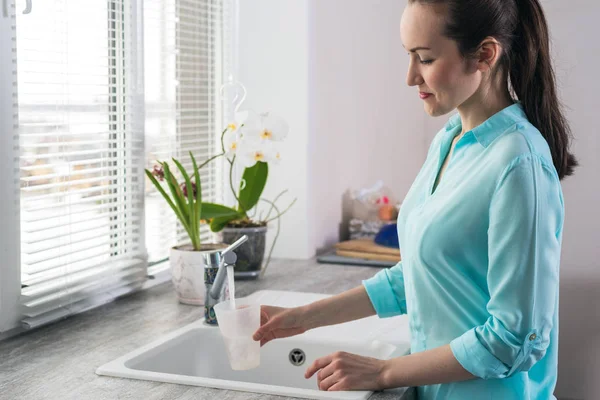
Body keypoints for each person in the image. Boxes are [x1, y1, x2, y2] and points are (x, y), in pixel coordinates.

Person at [252, 0, 577, 398]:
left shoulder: (519, 164)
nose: (410, 77)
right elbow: (419, 276)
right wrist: (302, 318)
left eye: (424, 58)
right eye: (409, 56)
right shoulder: (449, 140)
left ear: (485, 55)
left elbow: (514, 339)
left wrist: (384, 372)